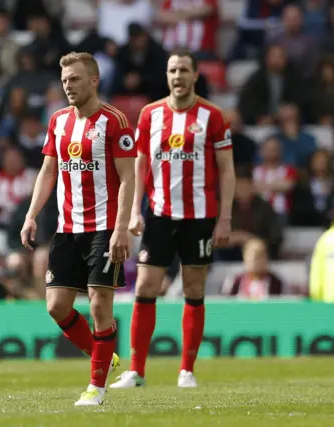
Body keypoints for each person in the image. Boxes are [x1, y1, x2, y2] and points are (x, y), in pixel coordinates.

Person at [110, 48, 235, 389]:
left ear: (195, 75)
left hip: (199, 216)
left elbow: (226, 170)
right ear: (166, 76)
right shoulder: (150, 115)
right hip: (160, 215)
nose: (177, 76)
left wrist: (225, 218)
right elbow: (139, 165)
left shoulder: (213, 116)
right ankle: (136, 371)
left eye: (183, 70)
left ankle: (187, 370)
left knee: (193, 289)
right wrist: (135, 210)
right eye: (172, 71)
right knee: (147, 287)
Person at [20, 52, 136, 406]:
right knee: (56, 306)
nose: (68, 86)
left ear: (94, 81)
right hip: (68, 228)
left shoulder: (115, 121)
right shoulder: (57, 122)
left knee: (100, 304)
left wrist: (121, 229)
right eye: (65, 80)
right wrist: (31, 214)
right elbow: (48, 172)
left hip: (104, 227)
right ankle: (106, 358)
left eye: (75, 79)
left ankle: (96, 389)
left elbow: (129, 178)